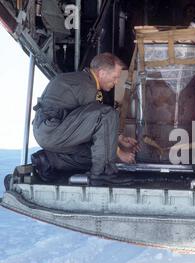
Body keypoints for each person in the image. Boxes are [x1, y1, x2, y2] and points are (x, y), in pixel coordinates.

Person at [31, 52, 139, 184]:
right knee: (108, 113)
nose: (116, 82)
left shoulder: (84, 81)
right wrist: (118, 152)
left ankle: (48, 160)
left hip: (51, 132)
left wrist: (120, 139)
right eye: (115, 77)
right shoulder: (86, 86)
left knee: (94, 155)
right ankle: (103, 173)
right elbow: (100, 121)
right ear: (102, 73)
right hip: (53, 130)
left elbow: (93, 126)